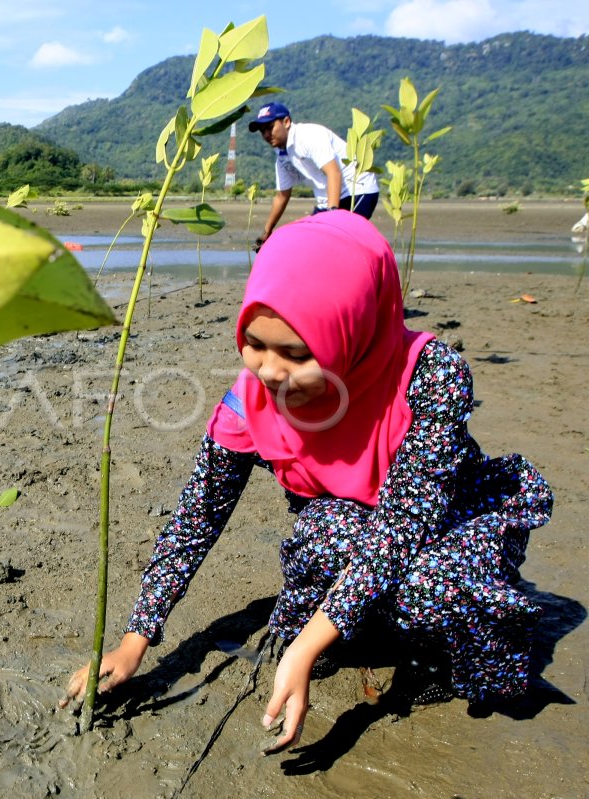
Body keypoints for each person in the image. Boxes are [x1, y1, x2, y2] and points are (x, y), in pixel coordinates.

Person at [62, 211, 553, 753]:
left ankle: (462, 652)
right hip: (349, 518)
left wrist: (304, 649)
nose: (270, 371)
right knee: (323, 538)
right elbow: (195, 523)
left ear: (353, 326)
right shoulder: (248, 403)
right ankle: (345, 624)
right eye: (254, 343)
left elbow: (402, 526)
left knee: (431, 587)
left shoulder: (432, 376)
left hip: (450, 517)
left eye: (297, 353)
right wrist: (136, 640)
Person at [248, 102, 379, 248]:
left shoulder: (309, 136)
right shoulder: (282, 156)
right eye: (262, 131)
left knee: (338, 244)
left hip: (358, 191)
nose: (266, 134)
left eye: (270, 128)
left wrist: (332, 217)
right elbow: (282, 196)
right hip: (327, 200)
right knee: (310, 243)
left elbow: (333, 173)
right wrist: (267, 232)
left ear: (286, 122)